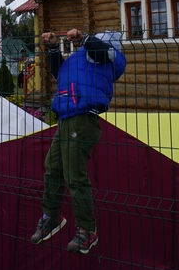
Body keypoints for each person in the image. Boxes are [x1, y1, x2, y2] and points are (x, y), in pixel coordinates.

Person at [31, 28, 125, 255]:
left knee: (74, 174)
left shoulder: (111, 56)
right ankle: (52, 216)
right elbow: (59, 72)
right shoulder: (80, 58)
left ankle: (86, 229)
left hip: (83, 117)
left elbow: (102, 52)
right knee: (53, 167)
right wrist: (54, 48)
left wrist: (84, 38)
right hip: (66, 117)